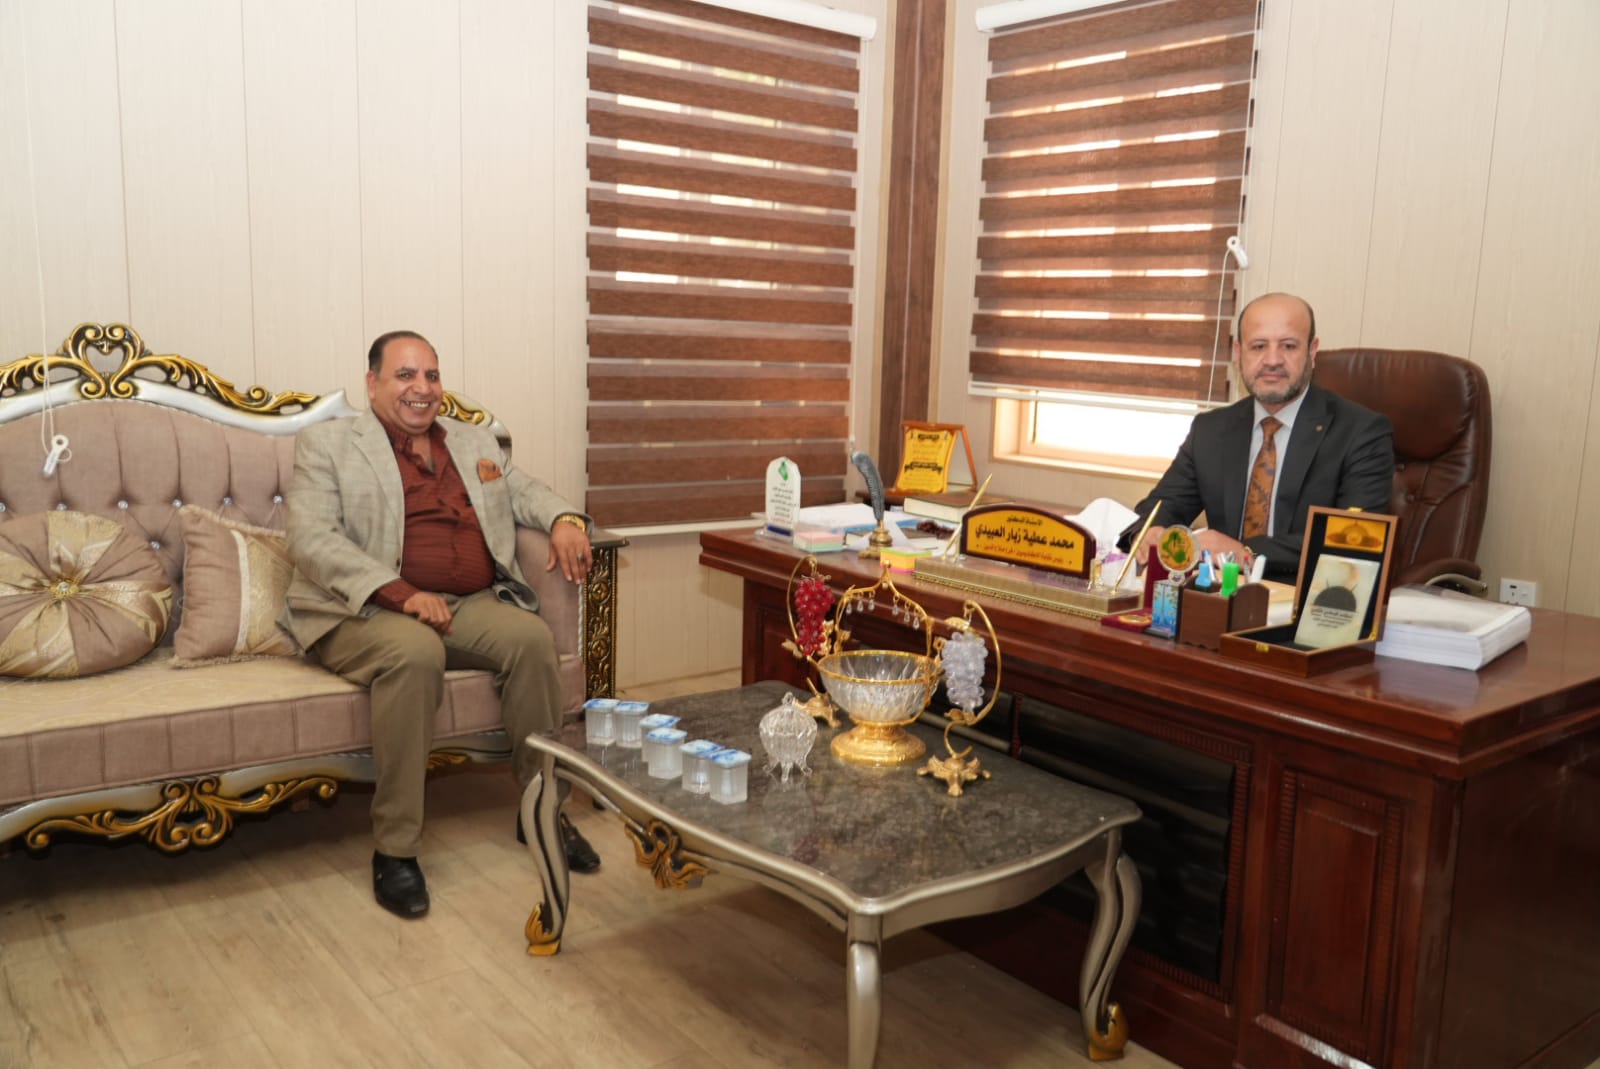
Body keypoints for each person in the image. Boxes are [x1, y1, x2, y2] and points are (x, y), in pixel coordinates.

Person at [282, 330, 600, 919]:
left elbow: (523, 490)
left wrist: (563, 518)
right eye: (405, 375)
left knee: (532, 640)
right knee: (415, 653)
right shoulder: (328, 445)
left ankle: (541, 812)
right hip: (365, 609)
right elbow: (310, 539)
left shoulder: (473, 440)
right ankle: (395, 849)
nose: (422, 388)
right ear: (372, 383)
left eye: (431, 375)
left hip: (467, 602)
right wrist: (403, 594)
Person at [1120, 293, 1395, 581]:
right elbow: (1163, 505)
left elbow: (1354, 540)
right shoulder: (1211, 429)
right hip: (1220, 593)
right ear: (1239, 353)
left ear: (1312, 352)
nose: (1272, 360)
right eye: (1259, 346)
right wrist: (1149, 532)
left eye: (1288, 346)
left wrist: (1244, 551)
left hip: (1308, 594)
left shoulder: (1362, 432)